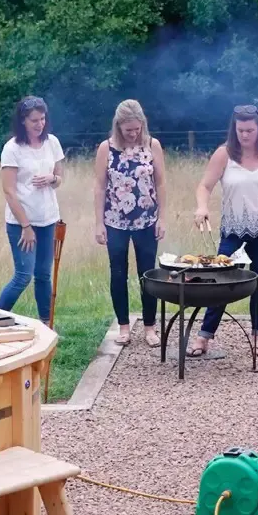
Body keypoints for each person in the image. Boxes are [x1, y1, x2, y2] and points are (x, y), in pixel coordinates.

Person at [190, 104, 258, 359]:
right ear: (234, 129)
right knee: (220, 281)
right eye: (240, 130)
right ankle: (204, 336)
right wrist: (201, 207)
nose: (245, 135)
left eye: (250, 130)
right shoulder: (224, 154)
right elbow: (205, 186)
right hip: (233, 229)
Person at [93, 98, 167, 346]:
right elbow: (100, 186)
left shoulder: (152, 145)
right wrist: (98, 223)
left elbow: (161, 183)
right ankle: (123, 327)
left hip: (147, 220)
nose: (133, 134)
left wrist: (162, 218)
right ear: (118, 127)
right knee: (118, 273)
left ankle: (150, 327)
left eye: (137, 129)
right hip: (115, 221)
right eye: (128, 130)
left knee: (148, 275)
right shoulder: (106, 148)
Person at [0, 95, 64, 321]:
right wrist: (26, 226)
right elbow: (9, 191)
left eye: (42, 119)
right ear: (23, 121)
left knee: (43, 275)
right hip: (21, 223)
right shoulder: (12, 149)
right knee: (24, 275)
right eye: (34, 120)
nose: (39, 124)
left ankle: (47, 323)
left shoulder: (52, 142)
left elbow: (60, 178)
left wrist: (51, 178)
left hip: (48, 219)